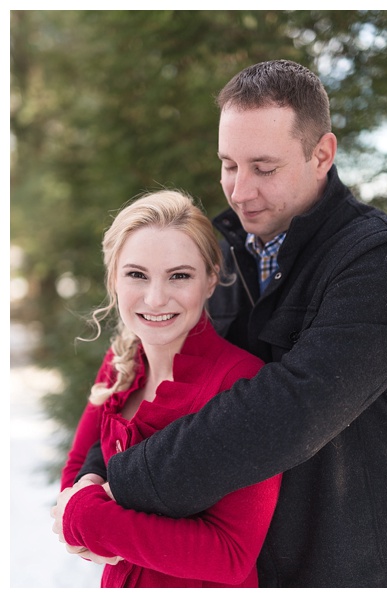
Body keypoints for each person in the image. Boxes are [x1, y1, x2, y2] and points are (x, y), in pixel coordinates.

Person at [54, 60, 387, 587]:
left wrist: (118, 489)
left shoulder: (373, 257)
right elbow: (142, 359)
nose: (240, 191)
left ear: (322, 154)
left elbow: (293, 407)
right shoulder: (215, 248)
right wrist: (87, 478)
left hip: (335, 565)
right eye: (228, 165)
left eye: (263, 167)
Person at [54, 190, 281, 587]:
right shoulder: (120, 361)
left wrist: (89, 519)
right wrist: (86, 494)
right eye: (137, 274)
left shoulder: (240, 381)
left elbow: (231, 555)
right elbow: (73, 475)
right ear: (114, 278)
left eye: (179, 275)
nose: (156, 298)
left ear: (211, 279)